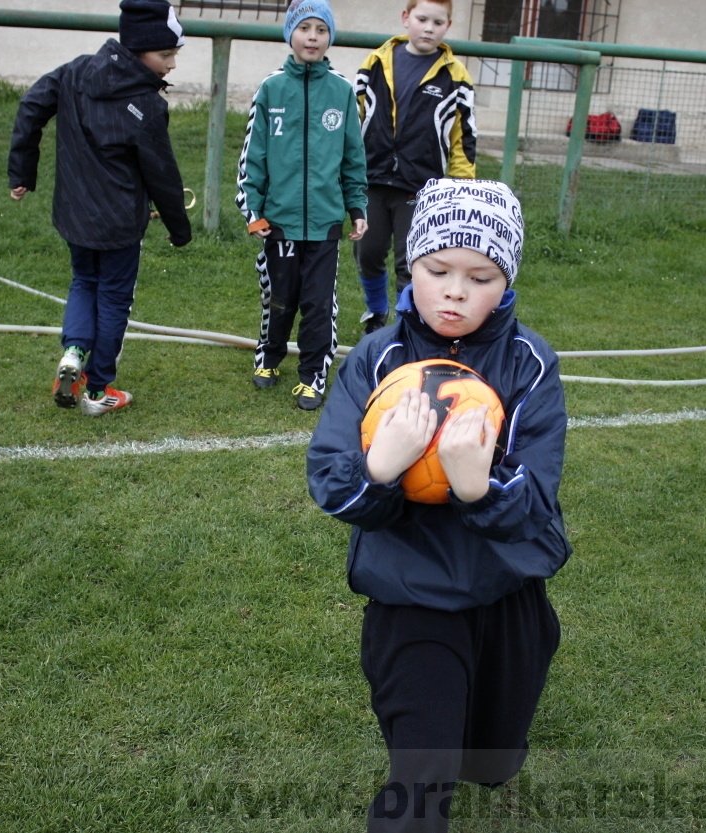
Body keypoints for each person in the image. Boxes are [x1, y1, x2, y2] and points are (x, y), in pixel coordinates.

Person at [307, 179, 570, 832]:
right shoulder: (376, 360)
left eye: (480, 275)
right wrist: (382, 467)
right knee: (423, 776)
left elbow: (536, 499)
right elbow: (329, 478)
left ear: (506, 280)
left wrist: (477, 485)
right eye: (438, 269)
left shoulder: (531, 365)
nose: (455, 289)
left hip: (506, 588)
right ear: (409, 266)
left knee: (491, 759)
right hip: (412, 593)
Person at [8, 0, 192, 417]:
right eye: (166, 55)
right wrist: (179, 228)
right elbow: (162, 174)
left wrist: (22, 170)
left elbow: (30, 106)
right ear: (140, 49)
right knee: (112, 298)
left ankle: (72, 355)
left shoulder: (75, 71)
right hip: (119, 225)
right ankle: (98, 389)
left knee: (82, 281)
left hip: (74, 215)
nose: (172, 65)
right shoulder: (147, 106)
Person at [235, 0, 368, 411]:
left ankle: (313, 375)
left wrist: (357, 208)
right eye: (305, 28)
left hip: (325, 225)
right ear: (290, 33)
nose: (313, 36)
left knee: (318, 304)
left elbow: (353, 159)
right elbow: (252, 160)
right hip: (278, 223)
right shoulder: (271, 88)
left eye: (321, 29)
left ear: (330, 37)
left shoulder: (343, 91)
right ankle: (269, 357)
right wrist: (252, 211)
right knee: (279, 297)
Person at [352, 0, 477, 335]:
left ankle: (402, 323)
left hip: (421, 186)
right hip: (372, 180)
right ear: (406, 18)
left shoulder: (455, 75)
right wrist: (347, 171)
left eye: (438, 22)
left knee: (412, 261)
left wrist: (461, 186)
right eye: (422, 19)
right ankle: (376, 311)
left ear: (447, 26)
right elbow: (355, 118)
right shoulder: (376, 62)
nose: (428, 28)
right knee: (368, 252)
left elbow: (463, 136)